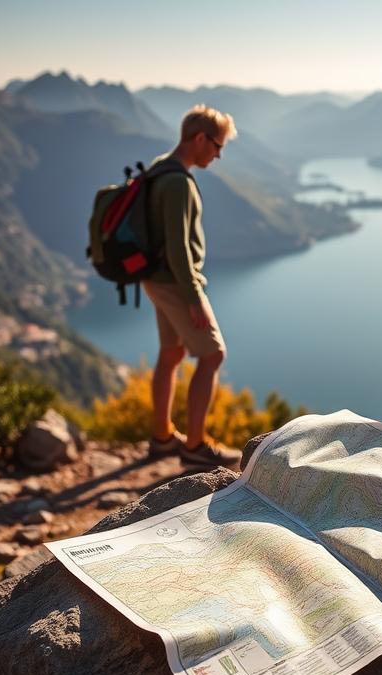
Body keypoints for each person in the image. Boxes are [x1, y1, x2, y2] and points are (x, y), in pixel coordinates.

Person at [143, 104, 241, 467]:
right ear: (200, 139)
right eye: (217, 145)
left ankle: (162, 437)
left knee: (171, 355)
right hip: (176, 283)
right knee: (213, 355)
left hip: (155, 279)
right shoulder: (178, 182)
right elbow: (178, 247)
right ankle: (194, 447)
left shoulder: (158, 168)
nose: (218, 154)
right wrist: (193, 298)